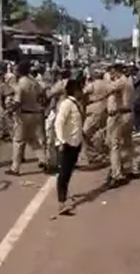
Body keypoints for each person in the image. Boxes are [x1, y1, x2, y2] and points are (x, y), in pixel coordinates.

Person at [7, 60, 48, 176]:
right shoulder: (34, 82)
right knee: (32, 140)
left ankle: (15, 168)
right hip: (36, 113)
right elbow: (42, 95)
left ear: (20, 71)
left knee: (18, 141)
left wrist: (10, 111)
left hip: (24, 114)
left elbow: (18, 101)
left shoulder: (21, 84)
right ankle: (43, 160)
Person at [54, 78, 85, 215]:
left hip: (75, 143)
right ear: (75, 90)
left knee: (68, 173)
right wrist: (61, 141)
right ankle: (62, 203)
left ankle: (64, 197)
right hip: (67, 144)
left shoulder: (76, 104)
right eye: (80, 89)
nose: (82, 91)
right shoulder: (67, 104)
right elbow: (58, 123)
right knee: (64, 174)